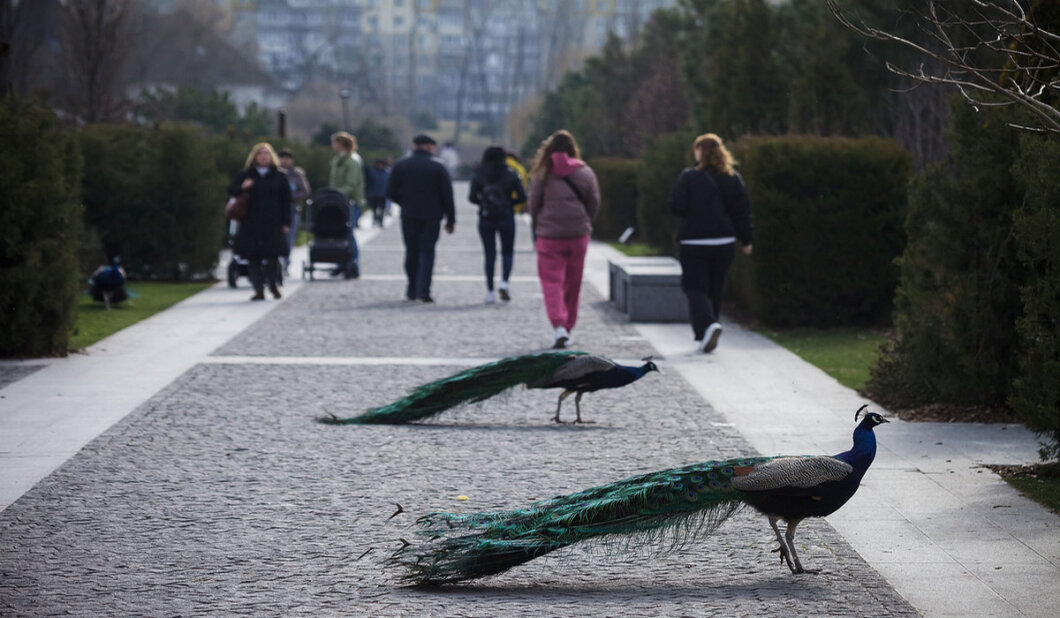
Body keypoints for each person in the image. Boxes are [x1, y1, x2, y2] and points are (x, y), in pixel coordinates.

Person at [668, 133, 753, 353]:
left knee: (694, 287)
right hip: (723, 242)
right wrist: (746, 240)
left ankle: (708, 326)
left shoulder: (688, 177)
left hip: (694, 242)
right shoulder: (733, 178)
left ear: (699, 151)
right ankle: (707, 333)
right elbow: (741, 212)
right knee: (716, 288)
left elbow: (677, 207)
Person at [528, 129, 599, 349]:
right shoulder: (585, 172)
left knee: (552, 283)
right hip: (578, 235)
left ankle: (558, 325)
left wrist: (539, 223)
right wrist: (585, 222)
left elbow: (533, 204)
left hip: (549, 236)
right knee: (573, 282)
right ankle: (567, 327)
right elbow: (594, 202)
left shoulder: (543, 173)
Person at [386, 133, 455, 303]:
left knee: (411, 251)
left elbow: (390, 191)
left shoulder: (401, 165)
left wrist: (404, 202)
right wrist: (451, 218)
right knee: (427, 251)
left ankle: (411, 287)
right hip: (432, 215)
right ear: (430, 147)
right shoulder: (438, 167)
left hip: (409, 214)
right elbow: (447, 195)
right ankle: (424, 290)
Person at [228, 142, 291, 301]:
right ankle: (258, 289)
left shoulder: (279, 175)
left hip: (273, 221)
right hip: (251, 221)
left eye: (267, 153)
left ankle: (273, 285)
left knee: (272, 256)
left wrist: (286, 223)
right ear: (255, 156)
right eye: (261, 153)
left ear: (271, 157)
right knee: (253, 257)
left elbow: (286, 201)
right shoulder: (246, 174)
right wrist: (243, 186)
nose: (264, 156)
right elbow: (231, 191)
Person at [469, 146, 526, 304]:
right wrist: (508, 203)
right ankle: (504, 283)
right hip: (506, 216)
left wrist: (484, 204)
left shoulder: (479, 174)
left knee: (489, 254)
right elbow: (522, 197)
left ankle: (489, 291)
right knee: (507, 252)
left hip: (486, 217)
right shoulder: (511, 174)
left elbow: (472, 197)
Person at [329, 131, 366, 277]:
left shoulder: (352, 160)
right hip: (339, 202)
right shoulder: (338, 159)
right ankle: (341, 263)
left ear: (340, 144)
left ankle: (353, 264)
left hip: (351, 202)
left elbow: (351, 184)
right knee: (340, 234)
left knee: (349, 234)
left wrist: (334, 193)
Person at [278, 149, 311, 274]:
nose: (285, 160)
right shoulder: (275, 172)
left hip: (291, 208)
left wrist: (290, 197)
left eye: (287, 158)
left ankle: (285, 263)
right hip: (276, 208)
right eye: (282, 157)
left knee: (288, 238)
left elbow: (305, 190)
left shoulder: (297, 174)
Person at [365, 158, 391, 227]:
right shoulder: (372, 172)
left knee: (382, 209)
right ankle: (375, 219)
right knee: (374, 208)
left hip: (383, 194)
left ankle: (381, 221)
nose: (380, 166)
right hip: (374, 193)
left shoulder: (387, 173)